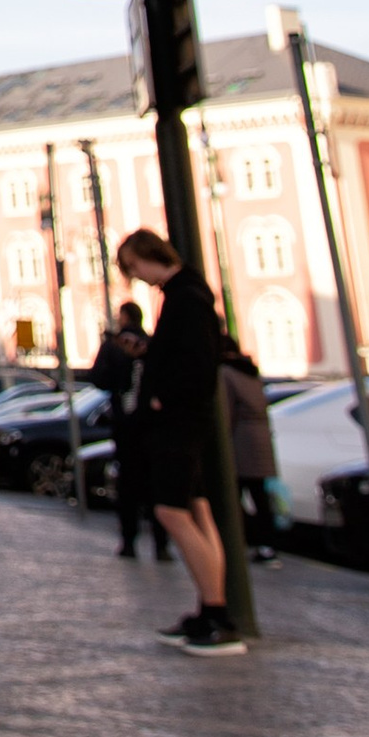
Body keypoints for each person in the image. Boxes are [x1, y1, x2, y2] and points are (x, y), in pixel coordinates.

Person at [125, 228, 244, 654]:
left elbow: (195, 365)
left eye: (134, 267)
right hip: (186, 419)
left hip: (179, 421)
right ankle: (212, 608)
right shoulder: (188, 296)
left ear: (148, 256)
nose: (137, 276)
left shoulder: (186, 300)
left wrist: (159, 398)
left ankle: (216, 612)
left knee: (172, 511)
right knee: (196, 509)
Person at [87, 298, 167, 563]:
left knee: (128, 484)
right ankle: (161, 544)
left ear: (123, 317)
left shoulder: (114, 345)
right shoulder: (153, 344)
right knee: (156, 484)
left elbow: (98, 378)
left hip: (126, 425)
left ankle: (129, 541)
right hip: (153, 426)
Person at [221, 333, 281, 560]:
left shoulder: (226, 373)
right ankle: (268, 544)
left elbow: (226, 415)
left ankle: (245, 542)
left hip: (240, 442)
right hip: (261, 439)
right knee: (260, 495)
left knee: (234, 494)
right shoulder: (251, 373)